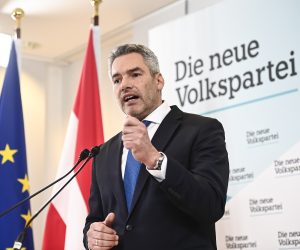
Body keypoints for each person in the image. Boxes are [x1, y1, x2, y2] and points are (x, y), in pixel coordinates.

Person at [83, 44, 229, 250]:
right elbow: (94, 220)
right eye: (117, 80)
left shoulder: (202, 130)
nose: (124, 85)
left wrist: (155, 159)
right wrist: (93, 236)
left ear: (158, 80)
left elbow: (211, 206)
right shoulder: (103, 153)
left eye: (134, 74)